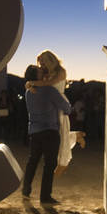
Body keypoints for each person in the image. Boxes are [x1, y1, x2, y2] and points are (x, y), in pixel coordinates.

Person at [25, 50, 85, 175]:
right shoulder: (46, 73)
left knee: (61, 133)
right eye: (40, 63)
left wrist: (31, 83)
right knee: (55, 135)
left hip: (59, 103)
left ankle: (62, 162)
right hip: (50, 104)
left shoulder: (60, 71)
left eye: (42, 62)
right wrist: (30, 86)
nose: (41, 66)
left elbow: (48, 84)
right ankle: (75, 136)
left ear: (49, 60)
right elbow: (42, 86)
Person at [21, 64, 71, 204]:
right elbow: (66, 108)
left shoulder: (28, 92)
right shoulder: (49, 90)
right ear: (36, 76)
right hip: (50, 131)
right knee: (49, 165)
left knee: (33, 161)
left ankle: (26, 190)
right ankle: (45, 197)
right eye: (39, 71)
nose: (42, 71)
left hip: (34, 131)